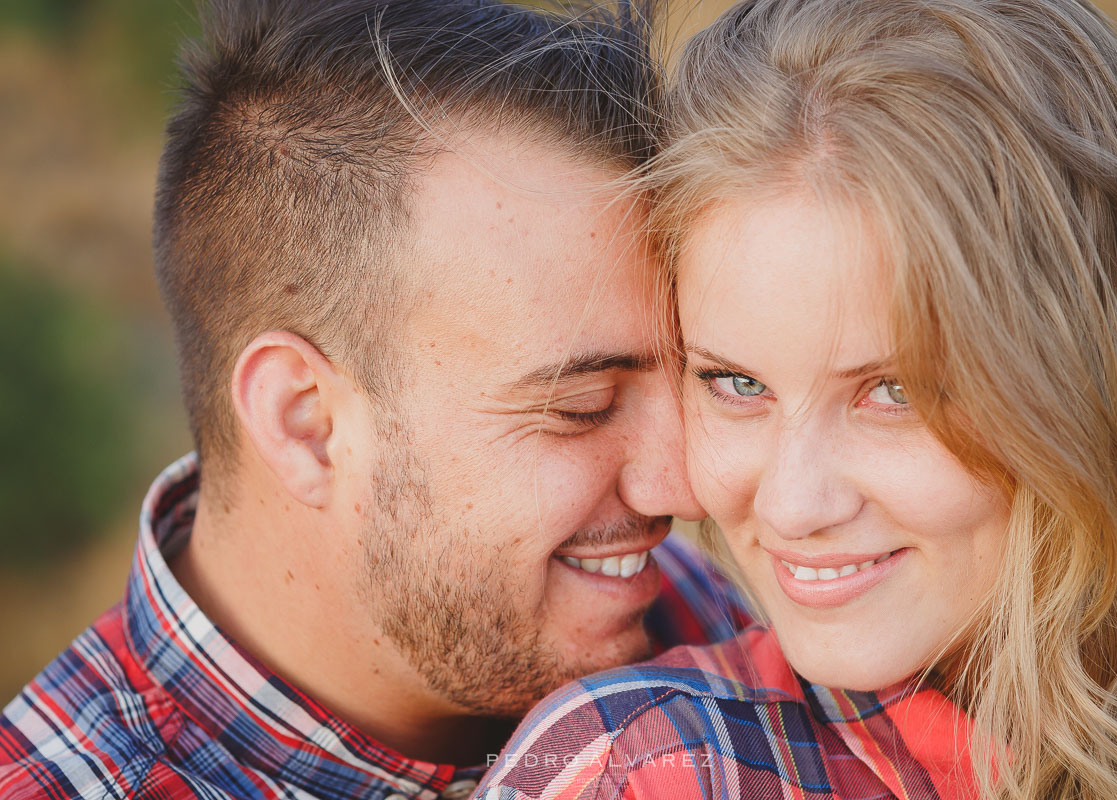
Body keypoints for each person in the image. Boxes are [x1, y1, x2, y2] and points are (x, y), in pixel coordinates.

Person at [0, 1, 755, 798]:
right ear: (306, 424)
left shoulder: (707, 616)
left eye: (693, 379)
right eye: (585, 406)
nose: (687, 487)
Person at [474, 0, 1117, 797]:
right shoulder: (661, 767)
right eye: (736, 383)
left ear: (1084, 370)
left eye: (893, 392)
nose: (792, 506)